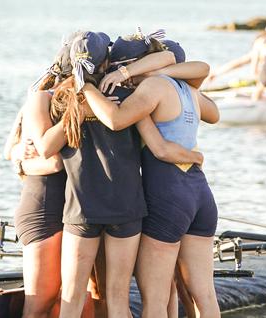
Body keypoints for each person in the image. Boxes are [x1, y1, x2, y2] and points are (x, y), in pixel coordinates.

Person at [33, 30, 205, 318]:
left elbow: (47, 148)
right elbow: (172, 59)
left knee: (72, 298)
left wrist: (78, 105)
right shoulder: (132, 93)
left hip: (81, 208)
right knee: (117, 297)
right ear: (106, 63)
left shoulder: (64, 101)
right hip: (127, 208)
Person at [80, 36, 221, 318]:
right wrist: (196, 156)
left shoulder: (149, 89)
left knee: (155, 301)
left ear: (131, 64)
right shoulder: (190, 92)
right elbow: (213, 111)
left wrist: (87, 88)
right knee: (204, 294)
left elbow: (123, 124)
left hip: (168, 194)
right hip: (200, 194)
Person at [3, 40, 83, 318]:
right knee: (40, 303)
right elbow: (51, 161)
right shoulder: (42, 99)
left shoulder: (70, 100)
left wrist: (18, 158)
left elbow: (10, 150)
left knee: (65, 301)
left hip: (72, 212)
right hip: (44, 208)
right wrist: (20, 158)